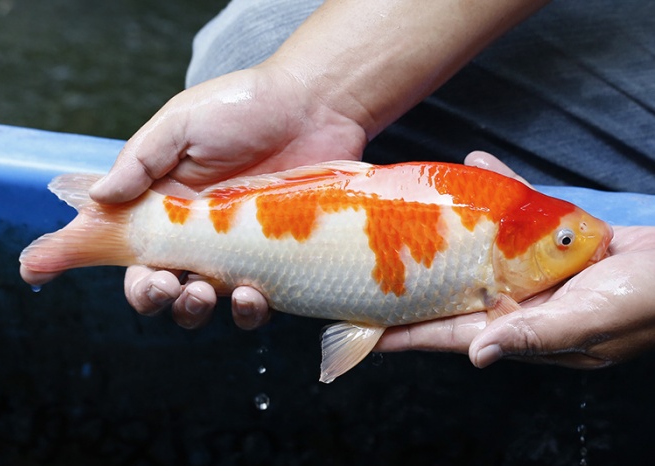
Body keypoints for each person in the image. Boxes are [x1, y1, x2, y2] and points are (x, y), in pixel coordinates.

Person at [88, 0, 655, 369]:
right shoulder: (496, 277)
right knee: (249, 47)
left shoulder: (497, 280)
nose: (588, 240)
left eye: (564, 243)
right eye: (562, 241)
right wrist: (314, 97)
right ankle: (160, 229)